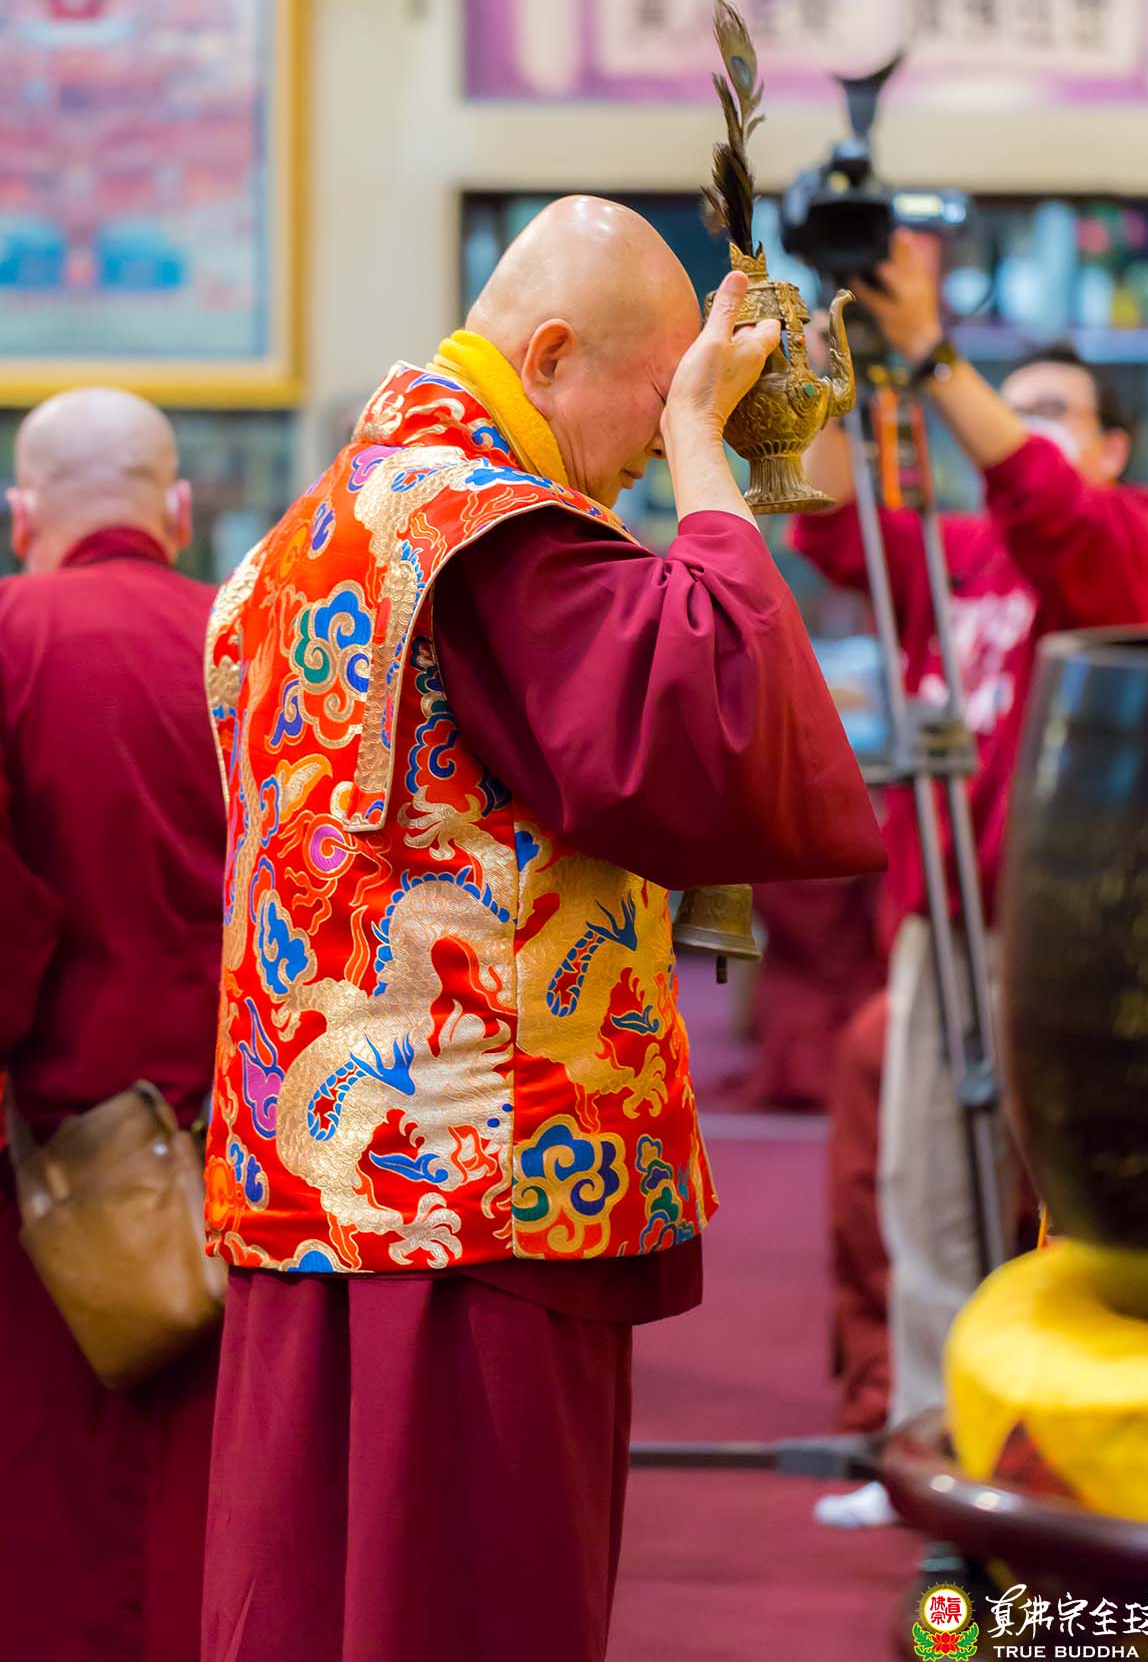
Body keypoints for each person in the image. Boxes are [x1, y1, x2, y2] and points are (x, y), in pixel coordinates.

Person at [200, 195, 887, 1662]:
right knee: (463, 1607)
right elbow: (709, 733)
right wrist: (706, 462)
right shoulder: (488, 528)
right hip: (471, 1195)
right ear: (553, 356)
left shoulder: (304, 536)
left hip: (314, 1185)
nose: (650, 441)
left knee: (314, 1594)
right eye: (655, 395)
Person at [796, 232, 1148, 1525]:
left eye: (1051, 412)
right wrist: (827, 369)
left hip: (1069, 933)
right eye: (1009, 405)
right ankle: (938, 1447)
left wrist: (933, 354)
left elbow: (1050, 506)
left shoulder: (1136, 537)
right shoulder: (958, 549)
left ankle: (1073, 1457)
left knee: (1066, 1206)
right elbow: (827, 521)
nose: (1017, 429)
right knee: (923, 1191)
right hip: (941, 918)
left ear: (1111, 445)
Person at [0, 389, 226, 1662]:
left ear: (18, 515)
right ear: (179, 510)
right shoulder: (254, 641)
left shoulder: (10, 634)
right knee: (214, 1497)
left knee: (58, 1512)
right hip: (252, 1149)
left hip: (57, 1160)